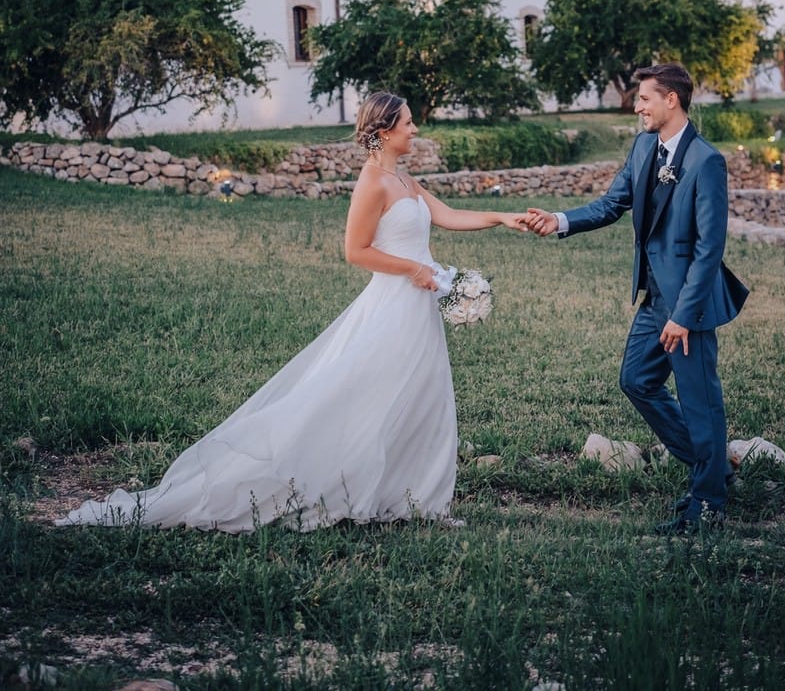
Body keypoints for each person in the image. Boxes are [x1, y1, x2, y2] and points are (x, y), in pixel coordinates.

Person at [57, 92, 527, 533]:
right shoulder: (372, 182)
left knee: (424, 400)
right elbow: (355, 250)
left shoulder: (406, 180)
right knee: (361, 399)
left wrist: (504, 218)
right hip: (391, 308)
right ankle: (333, 485)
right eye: (407, 122)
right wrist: (413, 268)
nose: (415, 128)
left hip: (418, 310)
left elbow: (448, 215)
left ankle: (415, 501)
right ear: (385, 131)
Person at [524, 63, 748, 535]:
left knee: (700, 402)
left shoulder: (706, 161)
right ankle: (712, 469)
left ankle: (709, 504)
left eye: (645, 98)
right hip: (653, 298)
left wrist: (684, 315)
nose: (637, 107)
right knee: (637, 380)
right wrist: (559, 220)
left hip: (689, 304)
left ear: (671, 100)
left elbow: (709, 249)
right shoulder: (645, 146)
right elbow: (612, 204)